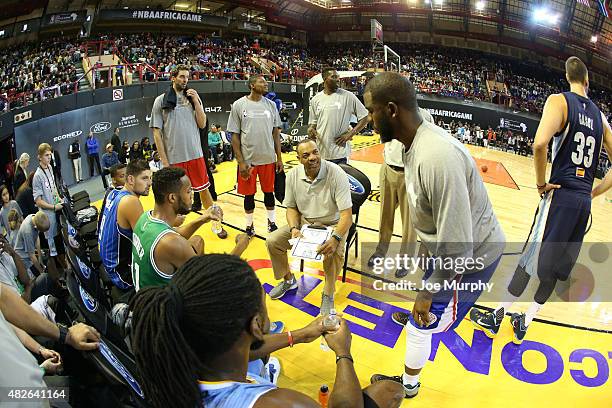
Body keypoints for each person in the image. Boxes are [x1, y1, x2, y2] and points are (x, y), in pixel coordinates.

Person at [363, 72, 505, 398]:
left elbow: (458, 247)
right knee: (423, 311)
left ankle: (409, 385)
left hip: (470, 258)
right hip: (448, 250)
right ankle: (427, 321)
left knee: (422, 321)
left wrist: (427, 292)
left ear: (392, 110)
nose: (369, 120)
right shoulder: (413, 141)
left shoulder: (436, 157)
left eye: (372, 111)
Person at [130, 254, 404, 408]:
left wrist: (298, 335)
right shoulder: (283, 404)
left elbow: (244, 348)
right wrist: (343, 353)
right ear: (255, 325)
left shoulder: (175, 358)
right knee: (391, 391)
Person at [470, 56, 612, 344]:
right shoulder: (601, 117)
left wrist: (539, 183)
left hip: (559, 195)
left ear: (568, 77)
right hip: (582, 202)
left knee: (529, 258)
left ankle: (498, 315)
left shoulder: (559, 101)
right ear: (587, 82)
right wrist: (594, 192)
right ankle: (527, 320)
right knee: (557, 265)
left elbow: (539, 144)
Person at [266, 139, 352, 315]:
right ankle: (289, 280)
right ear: (299, 159)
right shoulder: (292, 176)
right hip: (306, 224)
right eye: (306, 155)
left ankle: (328, 294)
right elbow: (291, 208)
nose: (313, 157)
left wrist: (336, 238)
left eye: (315, 152)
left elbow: (346, 216)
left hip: (333, 224)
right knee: (272, 241)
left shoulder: (336, 173)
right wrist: (293, 229)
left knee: (332, 251)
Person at [132, 167, 251, 290]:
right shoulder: (171, 243)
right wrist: (241, 245)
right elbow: (216, 278)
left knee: (197, 241)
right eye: (188, 191)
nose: (192, 195)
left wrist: (202, 218)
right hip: (164, 307)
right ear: (172, 198)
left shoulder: (145, 218)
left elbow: (175, 233)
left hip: (144, 295)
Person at [150, 64, 228, 239]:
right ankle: (171, 233)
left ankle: (216, 225)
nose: (185, 80)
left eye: (187, 77)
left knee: (205, 192)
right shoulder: (161, 101)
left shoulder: (191, 99)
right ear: (173, 78)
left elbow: (202, 123)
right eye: (182, 77)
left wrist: (198, 101)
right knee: (174, 199)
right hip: (174, 159)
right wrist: (164, 162)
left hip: (195, 155)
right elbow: (156, 133)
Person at [368, 108, 433, 278]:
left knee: (409, 223)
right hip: (388, 168)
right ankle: (380, 252)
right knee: (385, 216)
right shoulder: (388, 111)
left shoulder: (424, 116)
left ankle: (406, 261)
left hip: (409, 174)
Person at [0, 282, 100, 392]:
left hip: (27, 374)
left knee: (60, 345)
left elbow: (13, 328)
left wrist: (42, 349)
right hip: (15, 394)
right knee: (67, 390)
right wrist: (42, 369)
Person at [227, 74, 284, 236]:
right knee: (249, 195)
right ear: (252, 85)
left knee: (269, 193)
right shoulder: (239, 105)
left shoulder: (271, 105)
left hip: (268, 159)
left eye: (266, 82)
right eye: (261, 82)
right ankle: (249, 225)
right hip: (248, 162)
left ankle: (272, 222)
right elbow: (235, 136)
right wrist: (240, 162)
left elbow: (275, 134)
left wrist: (279, 158)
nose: (266, 84)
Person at [99, 160, 152, 302]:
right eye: (145, 178)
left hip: (108, 262)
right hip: (120, 273)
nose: (150, 183)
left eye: (150, 178)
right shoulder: (131, 201)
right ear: (130, 179)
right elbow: (149, 244)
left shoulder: (113, 192)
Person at [307, 67, 370, 165]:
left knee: (341, 180)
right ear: (325, 79)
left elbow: (365, 117)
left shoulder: (348, 96)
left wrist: (351, 133)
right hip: (321, 153)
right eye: (334, 77)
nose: (337, 79)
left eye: (338, 77)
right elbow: (313, 124)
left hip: (340, 154)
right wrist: (311, 130)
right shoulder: (316, 99)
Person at [33, 143, 64, 259]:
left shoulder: (50, 168)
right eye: (46, 155)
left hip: (56, 210)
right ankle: (58, 272)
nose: (49, 157)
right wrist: (53, 207)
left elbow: (53, 188)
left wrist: (58, 199)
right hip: (47, 216)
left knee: (60, 240)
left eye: (50, 155)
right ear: (39, 157)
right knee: (53, 247)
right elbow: (38, 202)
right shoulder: (37, 176)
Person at [14, 211, 50, 277]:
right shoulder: (28, 232)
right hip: (23, 259)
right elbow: (32, 256)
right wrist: (41, 272)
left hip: (30, 253)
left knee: (45, 261)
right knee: (37, 278)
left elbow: (36, 237)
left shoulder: (33, 216)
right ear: (36, 227)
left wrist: (40, 257)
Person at [97, 163, 127, 233]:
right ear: (114, 180)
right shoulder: (119, 196)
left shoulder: (110, 192)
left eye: (127, 175)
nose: (127, 178)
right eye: (122, 176)